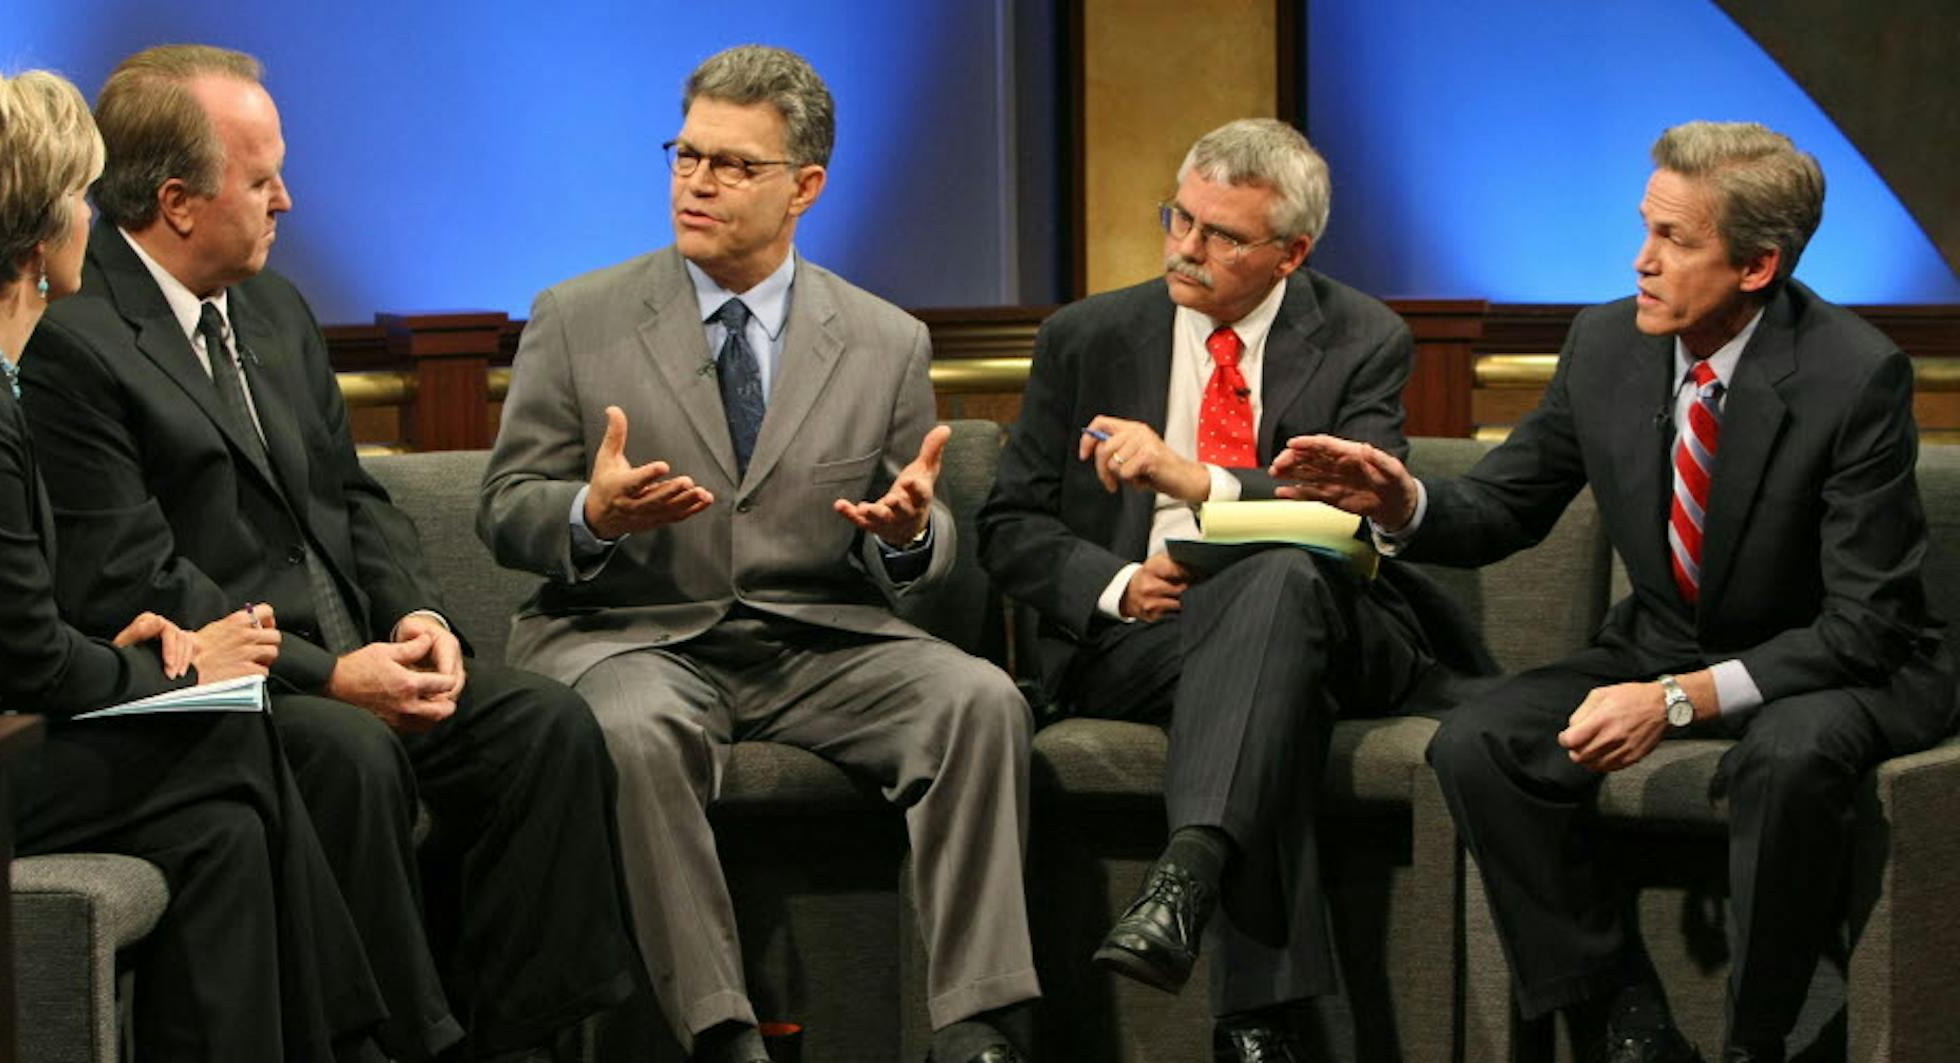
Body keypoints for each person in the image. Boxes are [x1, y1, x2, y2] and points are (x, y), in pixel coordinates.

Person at [1272, 121, 1954, 1063]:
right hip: (1666, 636)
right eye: (1645, 228)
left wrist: (1676, 701)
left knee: (1788, 758)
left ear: (1757, 267)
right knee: (1478, 744)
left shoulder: (1853, 375)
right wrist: (1404, 499)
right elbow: (1506, 509)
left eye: (1676, 240)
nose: (1642, 261)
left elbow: (1866, 624)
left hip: (1831, 664)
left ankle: (1757, 1042)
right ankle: (1620, 1016)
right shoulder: (1604, 343)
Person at [17, 45, 633, 1063]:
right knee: (348, 753)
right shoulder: (77, 342)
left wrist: (418, 619)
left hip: (361, 651)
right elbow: (133, 576)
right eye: (261, 181)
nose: (288, 200)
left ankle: (523, 1040)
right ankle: (393, 1045)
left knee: (546, 725)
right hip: (239, 686)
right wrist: (330, 675)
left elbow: (356, 498)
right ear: (176, 201)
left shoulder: (274, 308)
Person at [0, 70, 394, 1060]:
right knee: (231, 736)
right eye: (80, 196)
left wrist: (129, 644)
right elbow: (28, 662)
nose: (92, 215)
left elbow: (8, 620)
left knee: (223, 836)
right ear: (39, 236)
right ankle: (372, 1040)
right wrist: (189, 665)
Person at [476, 44, 1037, 1063]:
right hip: (632, 636)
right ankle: (719, 1031)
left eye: (734, 165)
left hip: (817, 640)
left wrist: (914, 535)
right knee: (636, 732)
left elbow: (914, 523)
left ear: (805, 188)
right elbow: (506, 509)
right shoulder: (575, 316)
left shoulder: (885, 340)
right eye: (686, 155)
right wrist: (592, 515)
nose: (697, 182)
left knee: (979, 699)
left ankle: (979, 1026)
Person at [977, 118, 1490, 1062]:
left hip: (1342, 622)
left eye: (1222, 236)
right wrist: (1122, 583)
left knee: (1282, 575)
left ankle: (1194, 875)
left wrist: (1197, 483)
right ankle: (1252, 1013)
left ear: (1292, 252)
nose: (1186, 248)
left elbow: (1348, 511)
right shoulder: (1084, 337)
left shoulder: (1361, 338)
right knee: (1266, 689)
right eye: (1180, 218)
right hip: (1148, 637)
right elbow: (1009, 526)